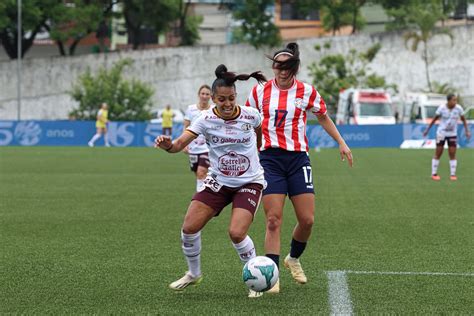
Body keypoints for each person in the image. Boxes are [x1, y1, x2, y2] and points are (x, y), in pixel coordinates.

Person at [245, 42, 353, 293]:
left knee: (307, 220)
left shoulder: (307, 91)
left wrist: (341, 142)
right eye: (278, 66)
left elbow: (323, 115)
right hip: (269, 160)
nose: (282, 71)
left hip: (297, 159)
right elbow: (248, 121)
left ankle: (293, 258)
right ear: (273, 67)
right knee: (273, 219)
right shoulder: (259, 91)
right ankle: (270, 276)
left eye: (288, 67)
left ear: (295, 68)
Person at [155, 64, 267, 298]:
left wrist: (258, 154)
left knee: (236, 233)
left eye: (231, 98)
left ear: (237, 96)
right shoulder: (204, 119)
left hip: (249, 182)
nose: (227, 104)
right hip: (218, 181)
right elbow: (177, 145)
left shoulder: (251, 115)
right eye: (221, 99)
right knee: (189, 228)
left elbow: (259, 136)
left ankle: (255, 278)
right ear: (213, 99)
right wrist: (168, 146)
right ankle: (194, 274)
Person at [423, 94, 471, 181]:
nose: (455, 102)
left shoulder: (458, 108)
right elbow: (434, 119)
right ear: (448, 101)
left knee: (452, 153)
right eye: (453, 100)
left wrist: (467, 131)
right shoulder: (441, 108)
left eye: (456, 100)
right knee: (438, 153)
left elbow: (463, 119)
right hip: (441, 133)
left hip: (452, 134)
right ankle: (434, 174)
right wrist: (427, 129)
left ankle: (453, 175)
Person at [183, 85, 212, 191]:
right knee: (198, 175)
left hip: (207, 148)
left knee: (201, 172)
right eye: (202, 93)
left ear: (211, 96)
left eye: (207, 94)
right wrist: (184, 144)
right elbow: (186, 127)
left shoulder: (213, 110)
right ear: (199, 95)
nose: (204, 96)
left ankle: (199, 198)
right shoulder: (191, 109)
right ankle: (208, 194)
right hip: (193, 148)